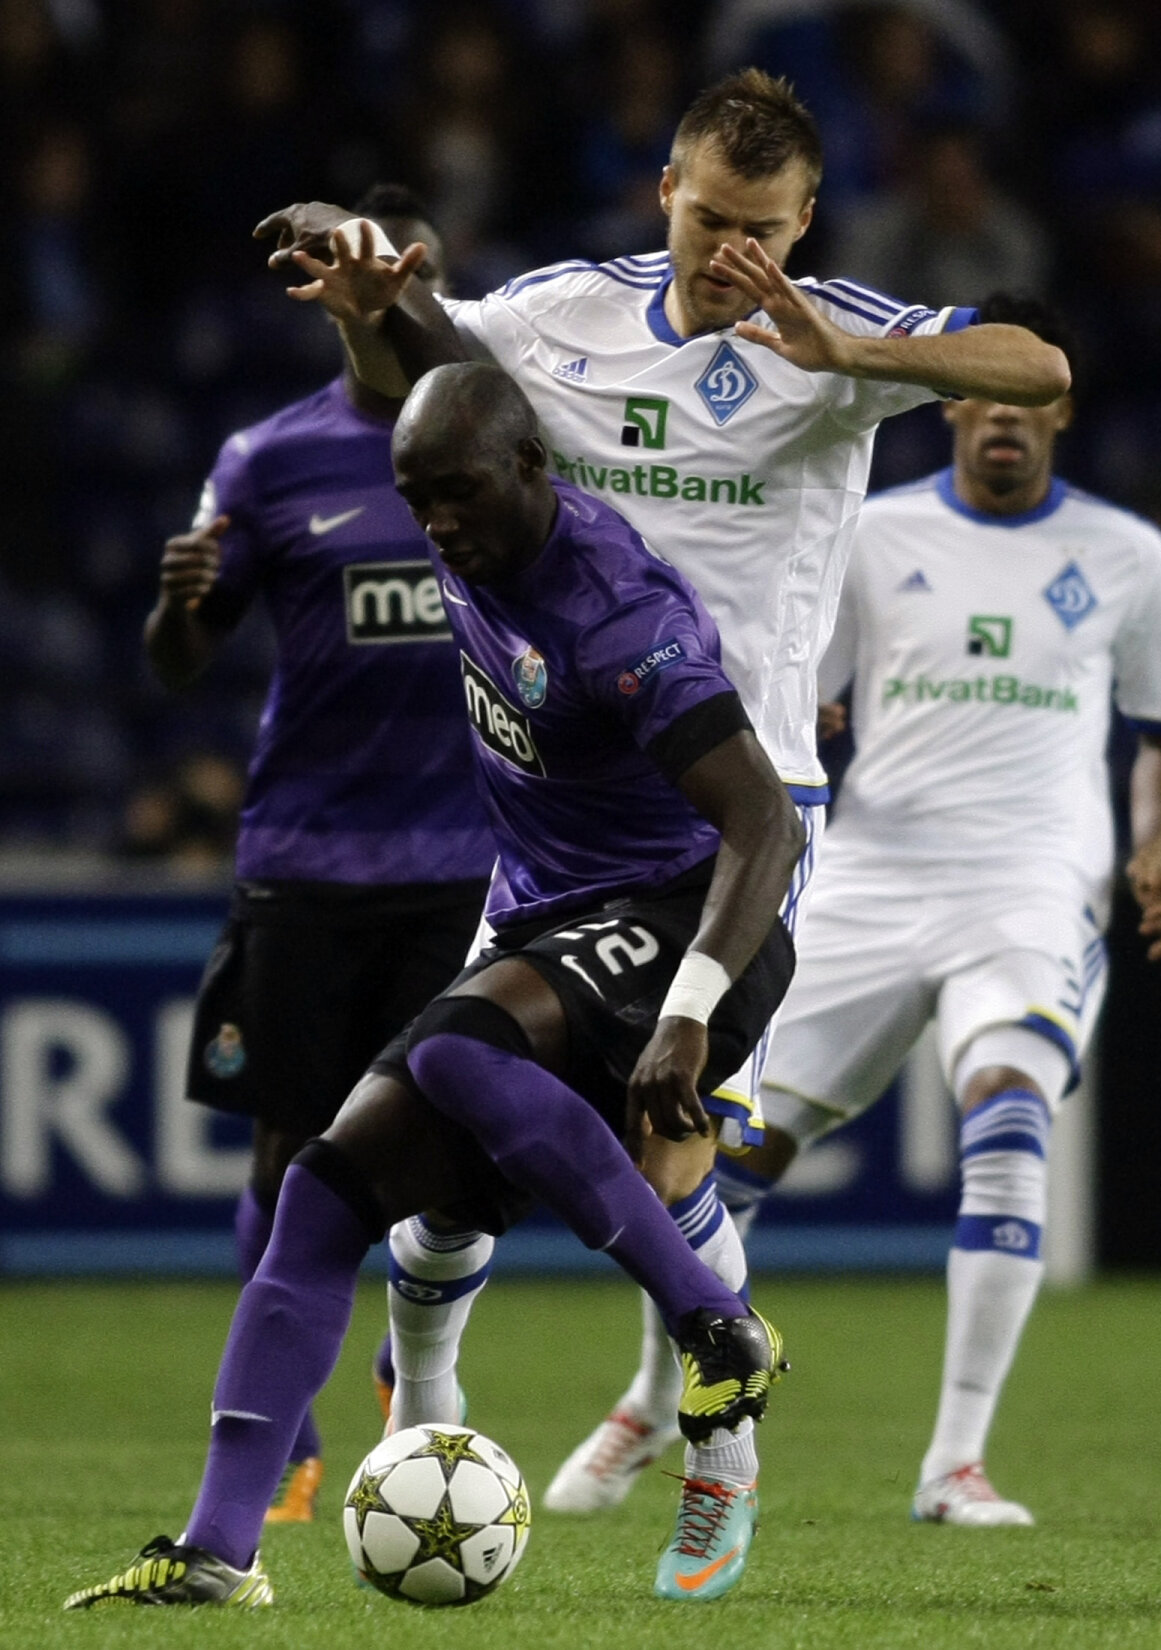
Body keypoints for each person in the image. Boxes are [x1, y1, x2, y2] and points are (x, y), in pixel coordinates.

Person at [254, 66, 1070, 1512]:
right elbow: (419, 382)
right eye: (709, 219)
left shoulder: (838, 335)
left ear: (806, 221)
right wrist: (366, 302)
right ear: (666, 194)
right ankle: (425, 1418)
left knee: (670, 1138)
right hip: (557, 806)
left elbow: (1040, 367)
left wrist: (851, 354)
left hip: (734, 813)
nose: (731, 251)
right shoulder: (564, 313)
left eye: (762, 227)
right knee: (450, 1145)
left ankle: (718, 1455)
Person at [62, 361, 803, 1610]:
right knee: (322, 1191)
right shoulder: (469, 538)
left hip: (683, 914)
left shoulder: (616, 612)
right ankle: (218, 1550)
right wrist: (364, 297)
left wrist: (687, 1010)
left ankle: (715, 1327)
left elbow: (764, 823)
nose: (437, 523)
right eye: (417, 499)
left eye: (458, 493)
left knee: (464, 1049)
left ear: (530, 466)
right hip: (545, 918)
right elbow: (410, 360)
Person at [546, 293, 1161, 1521]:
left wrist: (1157, 848)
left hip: (1032, 882)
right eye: (978, 395)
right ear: (950, 400)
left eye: (1026, 400)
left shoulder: (1126, 557)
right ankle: (653, 1400)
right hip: (873, 876)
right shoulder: (876, 534)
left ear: (1057, 408)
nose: (1002, 418)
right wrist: (814, 706)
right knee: (718, 1152)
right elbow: (794, 680)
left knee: (1008, 1112)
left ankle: (955, 1463)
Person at [143, 184, 496, 1523]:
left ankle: (413, 1383)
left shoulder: (507, 443)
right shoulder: (267, 458)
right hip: (308, 862)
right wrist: (178, 608)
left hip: (469, 862)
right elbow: (182, 661)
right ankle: (289, 1441)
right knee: (291, 1154)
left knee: (446, 1159)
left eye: (411, 278)